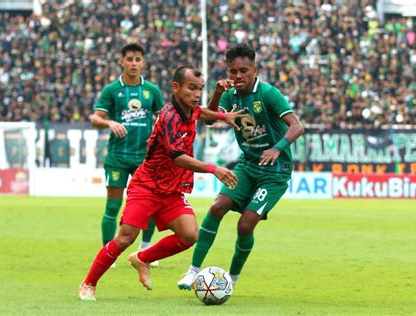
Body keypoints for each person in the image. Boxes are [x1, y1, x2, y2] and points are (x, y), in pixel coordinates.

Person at [78, 65, 246, 301]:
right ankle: (88, 284)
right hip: (147, 186)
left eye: (200, 89)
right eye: (191, 88)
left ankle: (142, 258)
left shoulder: (191, 110)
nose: (196, 94)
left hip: (171, 189)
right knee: (126, 237)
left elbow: (203, 113)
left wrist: (221, 115)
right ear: (176, 88)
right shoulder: (169, 116)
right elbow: (177, 157)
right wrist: (213, 168)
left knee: (189, 235)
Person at [177, 43, 305, 289]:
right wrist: (216, 93)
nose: (237, 76)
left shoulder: (268, 93)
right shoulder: (229, 95)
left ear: (254, 70)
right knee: (217, 208)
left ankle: (232, 279)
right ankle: (193, 271)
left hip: (274, 172)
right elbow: (208, 119)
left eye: (243, 71)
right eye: (233, 71)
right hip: (247, 165)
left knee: (245, 224)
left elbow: (297, 126)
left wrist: (276, 148)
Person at [91, 43, 163, 265]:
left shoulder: (152, 91)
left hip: (145, 158)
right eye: (129, 59)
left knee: (149, 206)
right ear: (121, 61)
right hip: (118, 156)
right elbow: (95, 119)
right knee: (113, 206)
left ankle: (145, 250)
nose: (133, 63)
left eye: (137, 59)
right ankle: (108, 253)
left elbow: (162, 120)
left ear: (143, 62)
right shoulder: (112, 90)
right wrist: (110, 122)